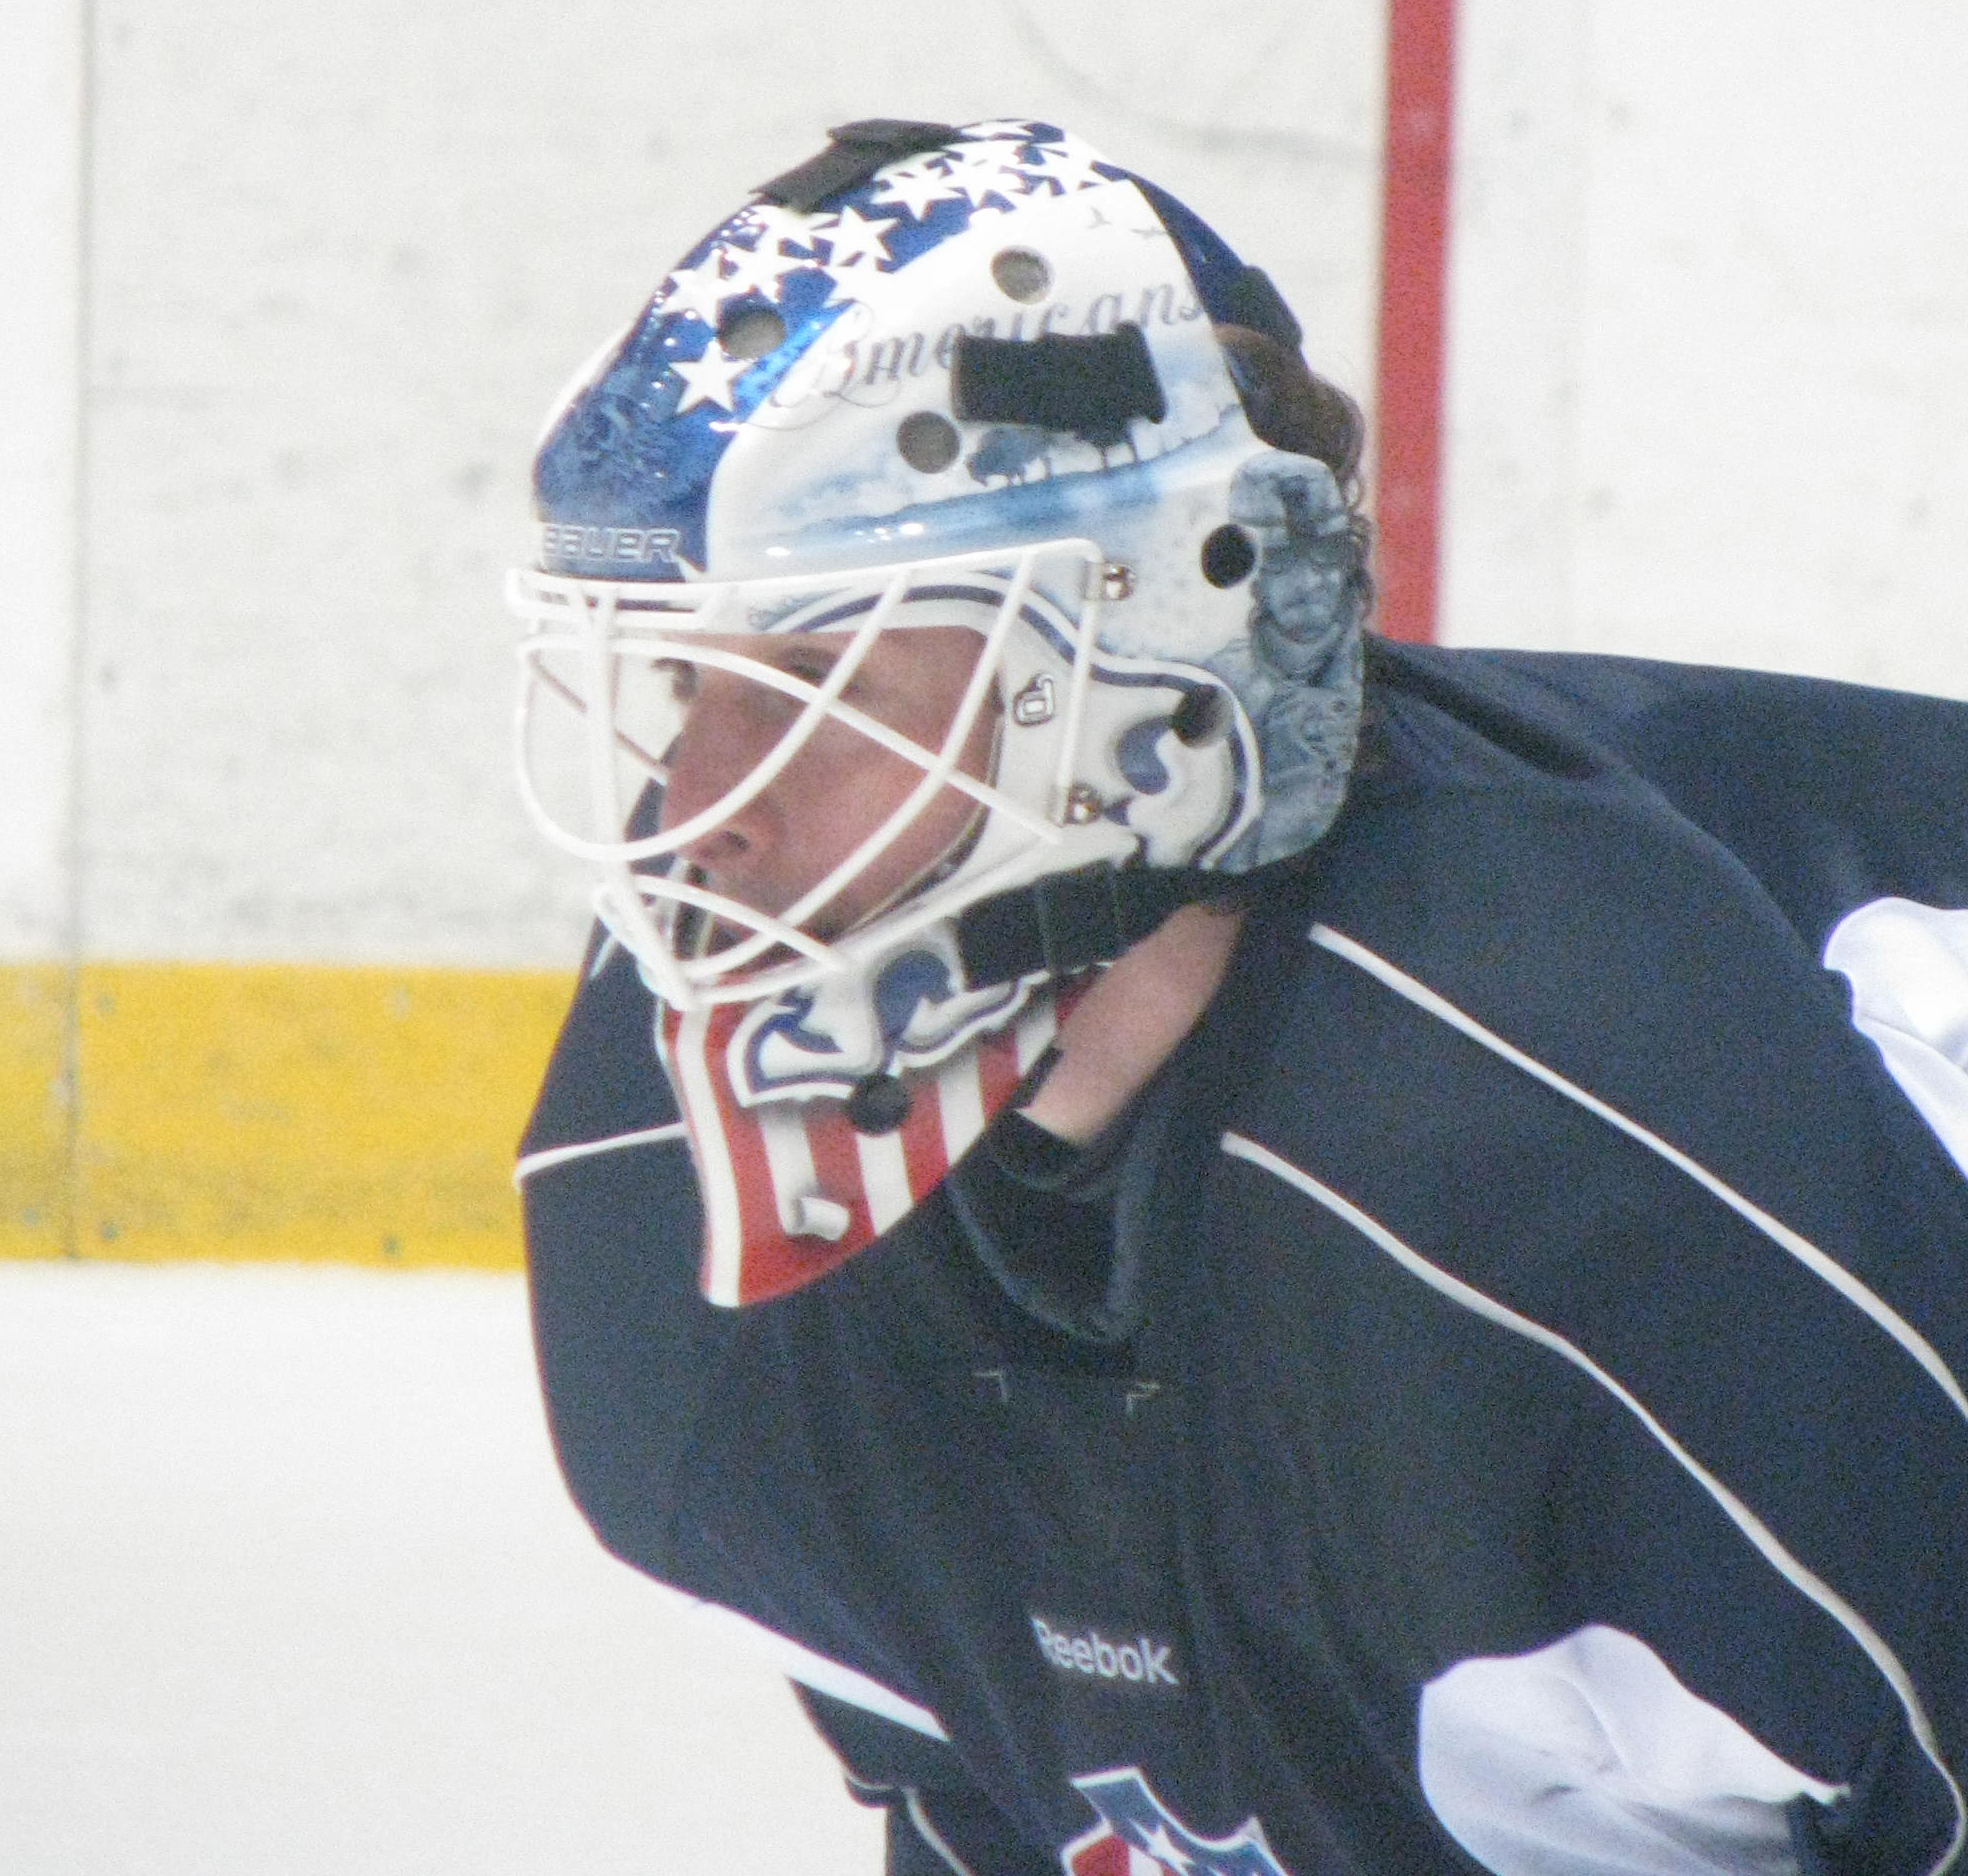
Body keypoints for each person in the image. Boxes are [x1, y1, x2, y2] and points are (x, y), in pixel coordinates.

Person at [507, 118, 1968, 1875]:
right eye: (684, 682)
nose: (701, 817)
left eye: (815, 683)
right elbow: (1007, 1805)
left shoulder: (1570, 1156)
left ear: (1135, 684)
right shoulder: (649, 1163)